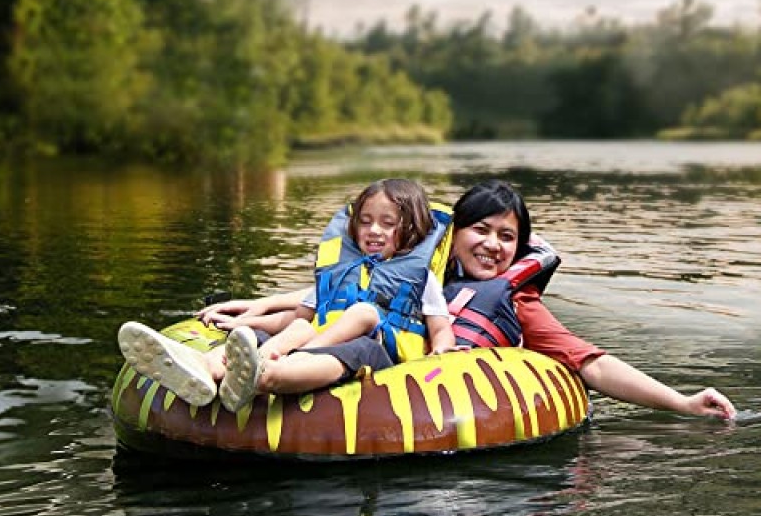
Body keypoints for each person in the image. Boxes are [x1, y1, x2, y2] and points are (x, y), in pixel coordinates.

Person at [197, 179, 737, 421]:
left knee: (344, 337)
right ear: (450, 233)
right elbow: (319, 296)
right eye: (481, 230)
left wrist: (681, 402)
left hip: (394, 372)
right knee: (291, 325)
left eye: (508, 237)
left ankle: (266, 374)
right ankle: (212, 367)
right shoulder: (410, 267)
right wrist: (245, 307)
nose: (494, 246)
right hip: (344, 337)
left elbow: (590, 363)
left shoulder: (512, 301)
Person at [119, 178, 456, 410]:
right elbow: (296, 317)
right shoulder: (339, 273)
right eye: (365, 221)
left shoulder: (419, 278)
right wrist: (245, 321)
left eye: (387, 223)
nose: (373, 230)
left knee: (364, 314)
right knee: (295, 327)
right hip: (311, 340)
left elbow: (440, 327)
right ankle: (202, 368)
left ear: (412, 230)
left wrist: (441, 352)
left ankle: (267, 375)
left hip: (375, 352)